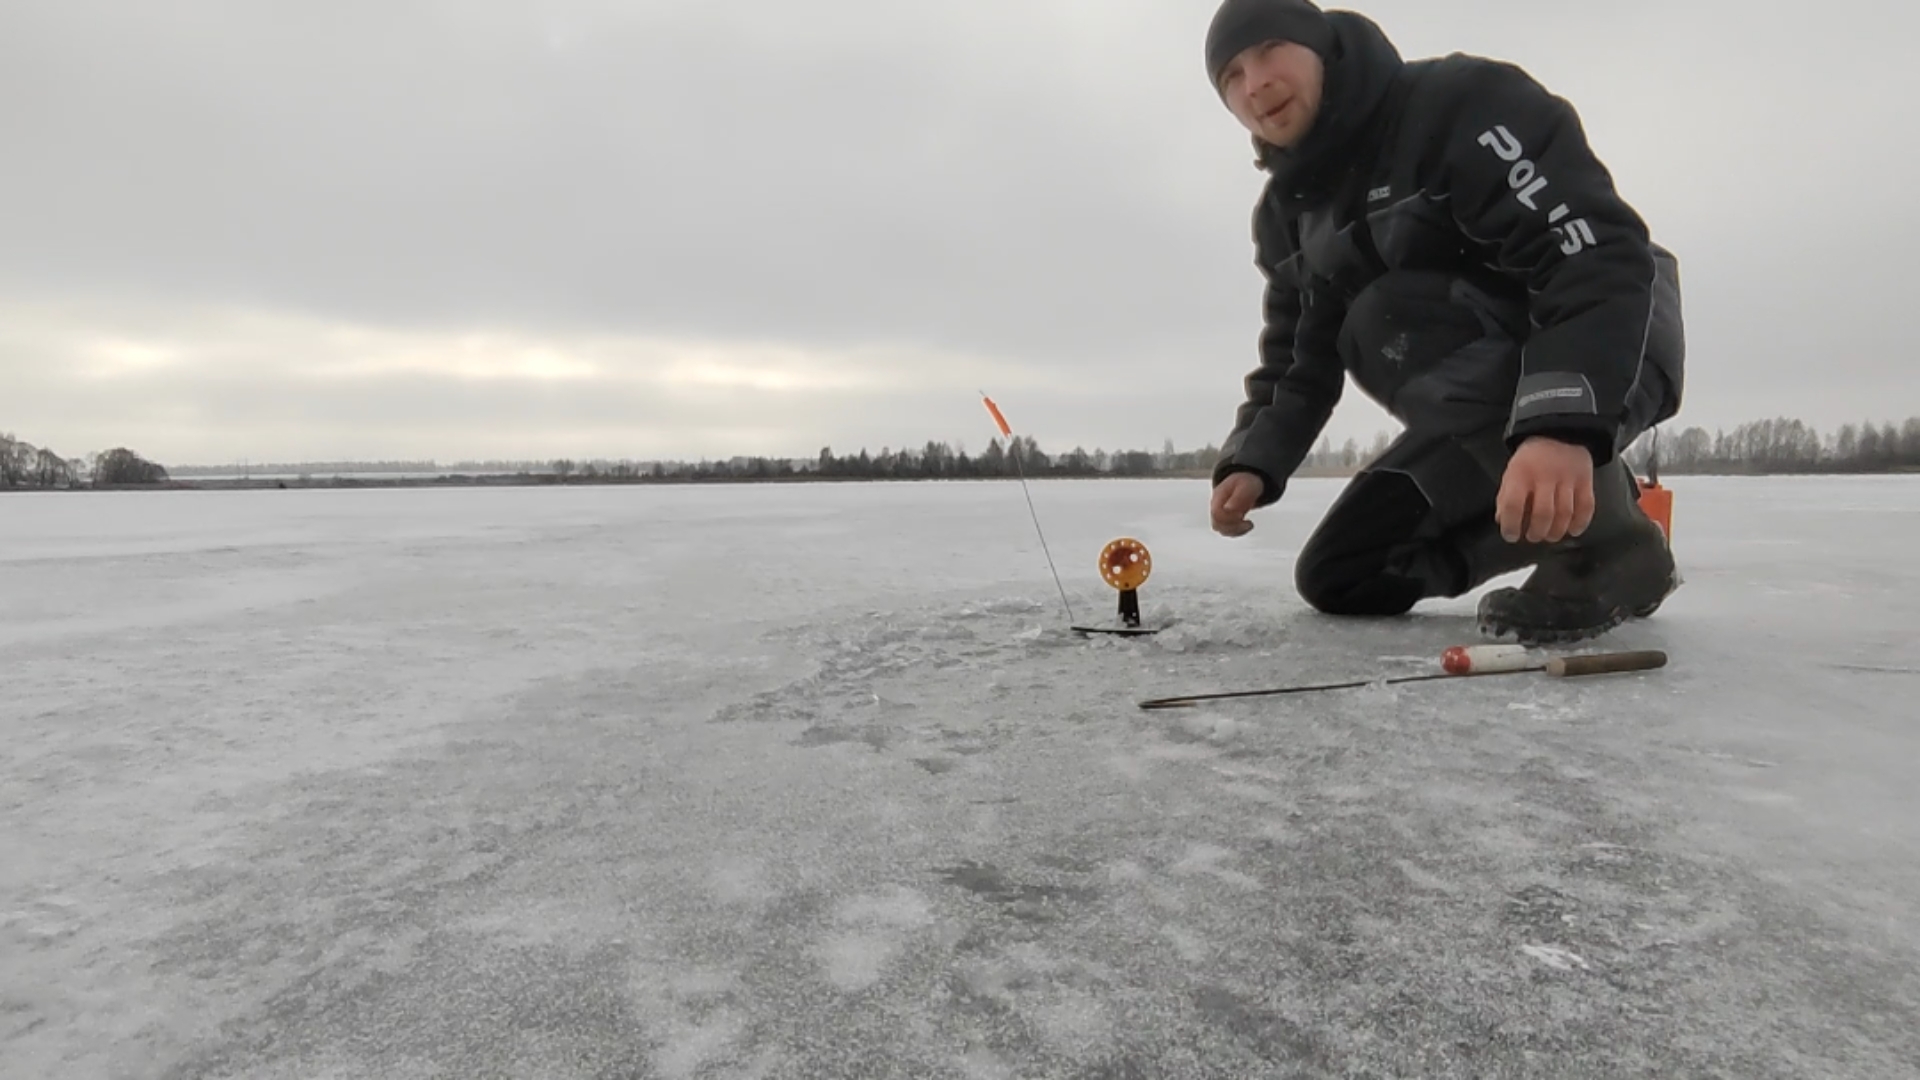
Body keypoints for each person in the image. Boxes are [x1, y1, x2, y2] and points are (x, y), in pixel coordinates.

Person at [1201, 0, 1685, 644]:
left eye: (1268, 52)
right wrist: (1252, 461)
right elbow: (1298, 358)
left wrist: (1562, 426)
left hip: (1610, 345)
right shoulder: (1287, 217)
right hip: (1490, 416)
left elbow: (1589, 250)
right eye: (1231, 76)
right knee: (1343, 574)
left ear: (1320, 49)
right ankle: (1582, 508)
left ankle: (1607, 549)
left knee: (1383, 315)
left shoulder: (1455, 106)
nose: (1254, 84)